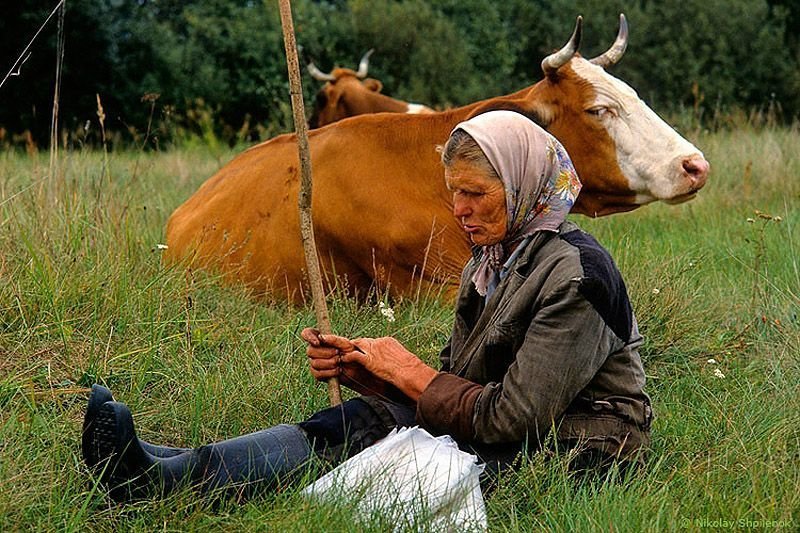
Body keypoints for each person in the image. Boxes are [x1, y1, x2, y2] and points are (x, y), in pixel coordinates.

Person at [82, 110, 653, 503]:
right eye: (454, 191)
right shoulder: (493, 259)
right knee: (371, 414)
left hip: (579, 453)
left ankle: (170, 479)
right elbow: (461, 382)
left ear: (525, 184)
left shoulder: (578, 277)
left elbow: (512, 418)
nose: (459, 209)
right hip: (511, 430)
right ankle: (172, 466)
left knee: (384, 441)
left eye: (476, 193)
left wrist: (410, 373)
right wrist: (375, 376)